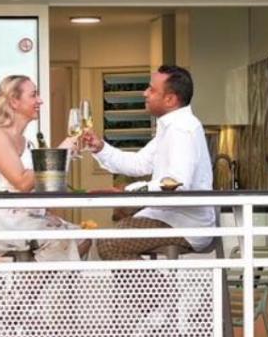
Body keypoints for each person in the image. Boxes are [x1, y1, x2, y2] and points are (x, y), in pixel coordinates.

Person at [80, 65, 216, 259]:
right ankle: (156, 289)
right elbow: (139, 163)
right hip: (166, 216)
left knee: (110, 243)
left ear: (170, 99)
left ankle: (160, 291)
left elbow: (175, 184)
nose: (145, 93)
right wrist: (100, 148)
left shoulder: (182, 129)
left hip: (185, 224)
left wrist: (128, 191)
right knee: (113, 236)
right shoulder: (170, 127)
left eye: (151, 89)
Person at [0, 74, 81, 261]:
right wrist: (60, 152)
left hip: (25, 216)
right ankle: (29, 290)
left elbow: (40, 185)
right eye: (34, 95)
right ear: (13, 101)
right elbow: (22, 182)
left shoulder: (27, 143)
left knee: (85, 238)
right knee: (62, 239)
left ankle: (40, 288)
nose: (40, 100)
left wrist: (64, 160)